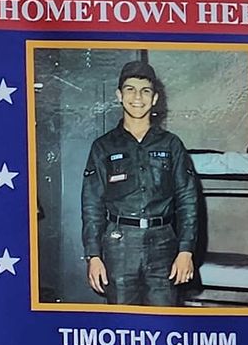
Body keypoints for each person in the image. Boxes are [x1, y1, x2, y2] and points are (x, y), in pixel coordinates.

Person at [80, 60, 199, 306]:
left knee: (165, 322)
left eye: (145, 91)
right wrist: (93, 255)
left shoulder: (171, 145)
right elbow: (92, 205)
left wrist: (185, 251)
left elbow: (188, 200)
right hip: (119, 246)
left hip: (164, 244)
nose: (138, 97)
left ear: (155, 98)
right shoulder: (103, 147)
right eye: (130, 89)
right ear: (119, 95)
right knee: (122, 323)